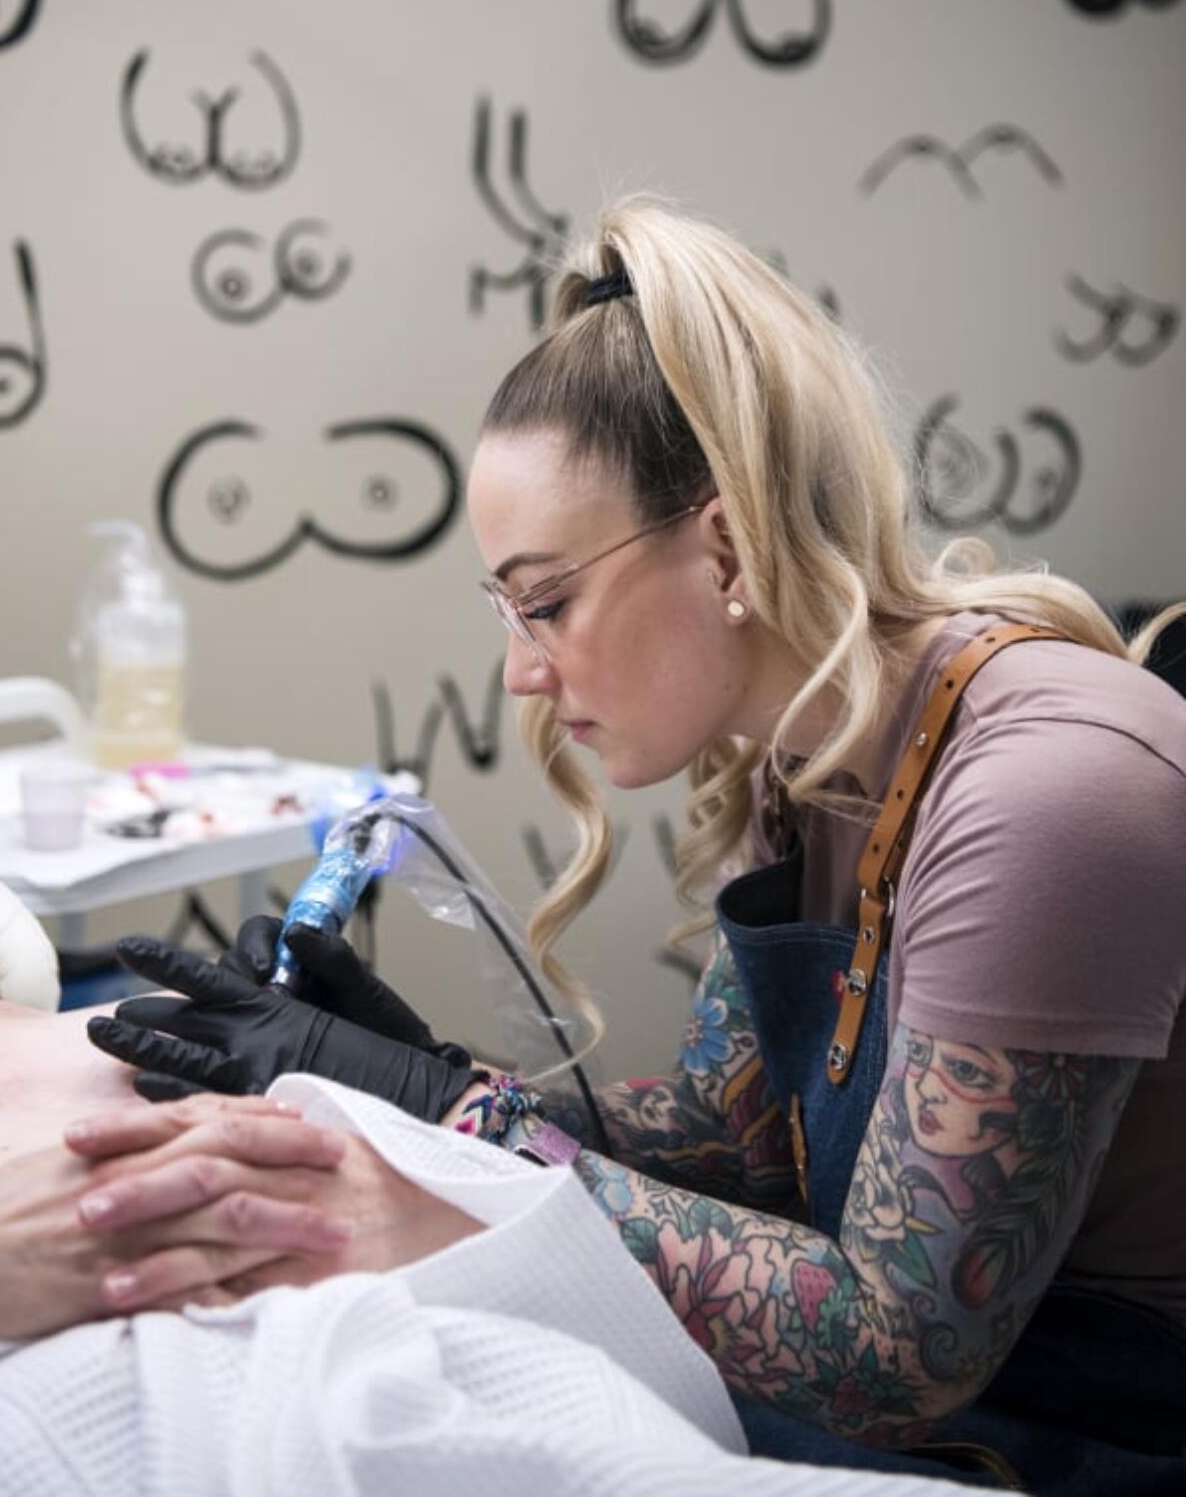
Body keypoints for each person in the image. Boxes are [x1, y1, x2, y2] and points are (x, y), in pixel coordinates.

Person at [87, 199, 1186, 1493]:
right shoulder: (813, 756)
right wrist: (410, 1068)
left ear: (719, 543)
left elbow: (896, 1346)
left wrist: (462, 1117)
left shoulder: (1042, 795)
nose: (519, 674)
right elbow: (731, 1146)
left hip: (1092, 1427)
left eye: (544, 601)